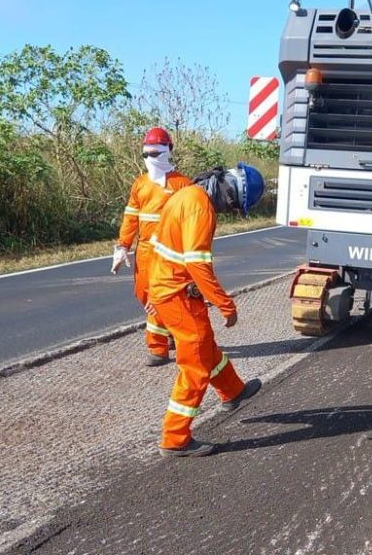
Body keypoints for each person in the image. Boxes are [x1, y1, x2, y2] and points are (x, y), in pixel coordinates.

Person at [147, 163, 266, 457]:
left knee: (207, 348)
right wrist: (226, 305)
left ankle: (233, 391)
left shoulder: (186, 194)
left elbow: (156, 247)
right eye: (234, 203)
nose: (230, 210)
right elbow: (197, 264)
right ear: (228, 190)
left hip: (169, 291)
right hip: (179, 297)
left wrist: (151, 289)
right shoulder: (201, 207)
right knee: (196, 366)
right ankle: (175, 439)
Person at [112, 127, 192, 366]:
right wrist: (122, 246)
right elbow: (130, 218)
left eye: (156, 154)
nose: (150, 160)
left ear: (169, 151)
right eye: (146, 154)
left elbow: (191, 222)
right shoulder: (140, 185)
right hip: (145, 251)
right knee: (144, 294)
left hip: (170, 253)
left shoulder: (182, 185)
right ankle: (170, 332)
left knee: (160, 298)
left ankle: (158, 349)